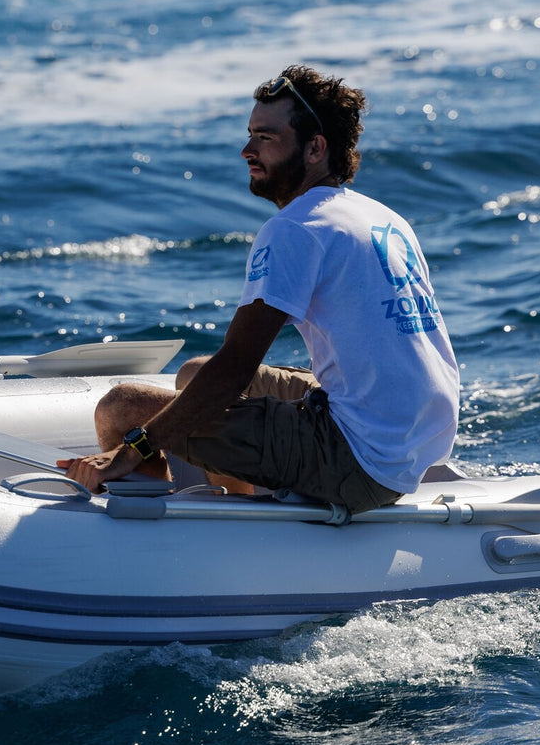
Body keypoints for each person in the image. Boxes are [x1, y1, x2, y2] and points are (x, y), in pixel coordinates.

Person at [58, 64, 459, 513]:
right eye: (250, 135)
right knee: (193, 373)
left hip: (358, 460)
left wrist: (134, 447)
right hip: (416, 440)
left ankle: (155, 525)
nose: (247, 150)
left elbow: (234, 366)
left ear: (315, 148)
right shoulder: (382, 217)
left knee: (121, 408)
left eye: (266, 138)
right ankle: (238, 505)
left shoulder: (296, 228)